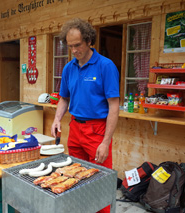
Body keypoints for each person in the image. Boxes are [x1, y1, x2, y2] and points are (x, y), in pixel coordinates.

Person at [51, 18, 119, 213]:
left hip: (97, 131)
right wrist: (57, 119)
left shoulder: (105, 66)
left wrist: (106, 141)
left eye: (78, 45)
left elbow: (114, 106)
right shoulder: (68, 68)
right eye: (70, 46)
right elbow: (64, 99)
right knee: (75, 179)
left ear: (89, 41)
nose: (74, 50)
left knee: (99, 182)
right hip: (75, 129)